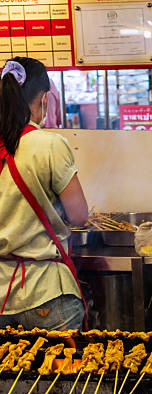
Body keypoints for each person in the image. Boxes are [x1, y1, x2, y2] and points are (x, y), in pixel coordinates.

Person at [0, 57, 89, 330]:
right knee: (64, 373)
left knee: (11, 373)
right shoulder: (48, 144)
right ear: (45, 98)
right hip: (47, 294)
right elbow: (78, 216)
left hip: (1, 297)